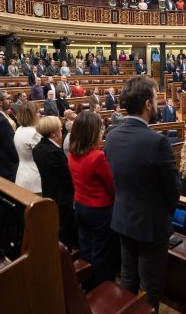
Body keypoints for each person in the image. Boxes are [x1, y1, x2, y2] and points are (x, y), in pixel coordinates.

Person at [103, 75, 181, 310]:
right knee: (150, 285)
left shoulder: (112, 136)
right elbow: (173, 190)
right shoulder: (157, 141)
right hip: (150, 226)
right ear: (148, 104)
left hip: (123, 219)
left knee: (128, 277)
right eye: (156, 99)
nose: (157, 104)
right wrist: (164, 214)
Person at [68, 111, 118, 291]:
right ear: (92, 131)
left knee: (86, 248)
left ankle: (88, 284)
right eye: (100, 128)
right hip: (99, 210)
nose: (102, 131)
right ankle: (101, 289)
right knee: (101, 252)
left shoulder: (72, 153)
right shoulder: (97, 156)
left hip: (80, 207)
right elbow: (112, 187)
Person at [33, 116, 76, 250]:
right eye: (59, 128)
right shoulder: (54, 152)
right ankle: (64, 260)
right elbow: (66, 177)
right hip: (62, 196)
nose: (61, 130)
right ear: (53, 133)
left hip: (49, 190)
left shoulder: (38, 147)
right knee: (64, 230)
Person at [14, 101, 42, 194]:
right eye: (37, 112)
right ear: (32, 115)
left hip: (22, 173)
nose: (39, 114)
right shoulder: (34, 133)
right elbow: (43, 156)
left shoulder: (19, 129)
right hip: (35, 176)